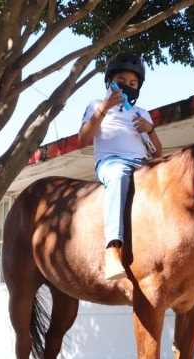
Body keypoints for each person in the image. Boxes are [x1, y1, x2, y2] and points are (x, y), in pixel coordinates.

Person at [78, 53, 163, 280]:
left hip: (142, 164)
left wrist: (150, 130)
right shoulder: (97, 105)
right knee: (118, 176)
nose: (128, 87)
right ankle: (112, 251)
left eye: (133, 84)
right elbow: (84, 138)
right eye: (122, 82)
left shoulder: (142, 113)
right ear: (110, 83)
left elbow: (158, 152)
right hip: (111, 162)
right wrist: (104, 108)